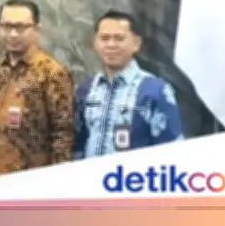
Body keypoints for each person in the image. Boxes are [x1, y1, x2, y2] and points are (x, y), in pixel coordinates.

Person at [0, 0, 74, 178]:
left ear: (37, 30)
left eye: (20, 27)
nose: (13, 34)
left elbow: (63, 134)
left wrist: (57, 179)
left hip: (34, 180)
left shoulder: (52, 73)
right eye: (6, 27)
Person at [73, 10, 183, 159]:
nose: (111, 45)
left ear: (136, 44)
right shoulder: (86, 89)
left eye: (119, 38)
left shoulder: (155, 91)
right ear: (95, 43)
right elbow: (77, 144)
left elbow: (172, 150)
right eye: (104, 38)